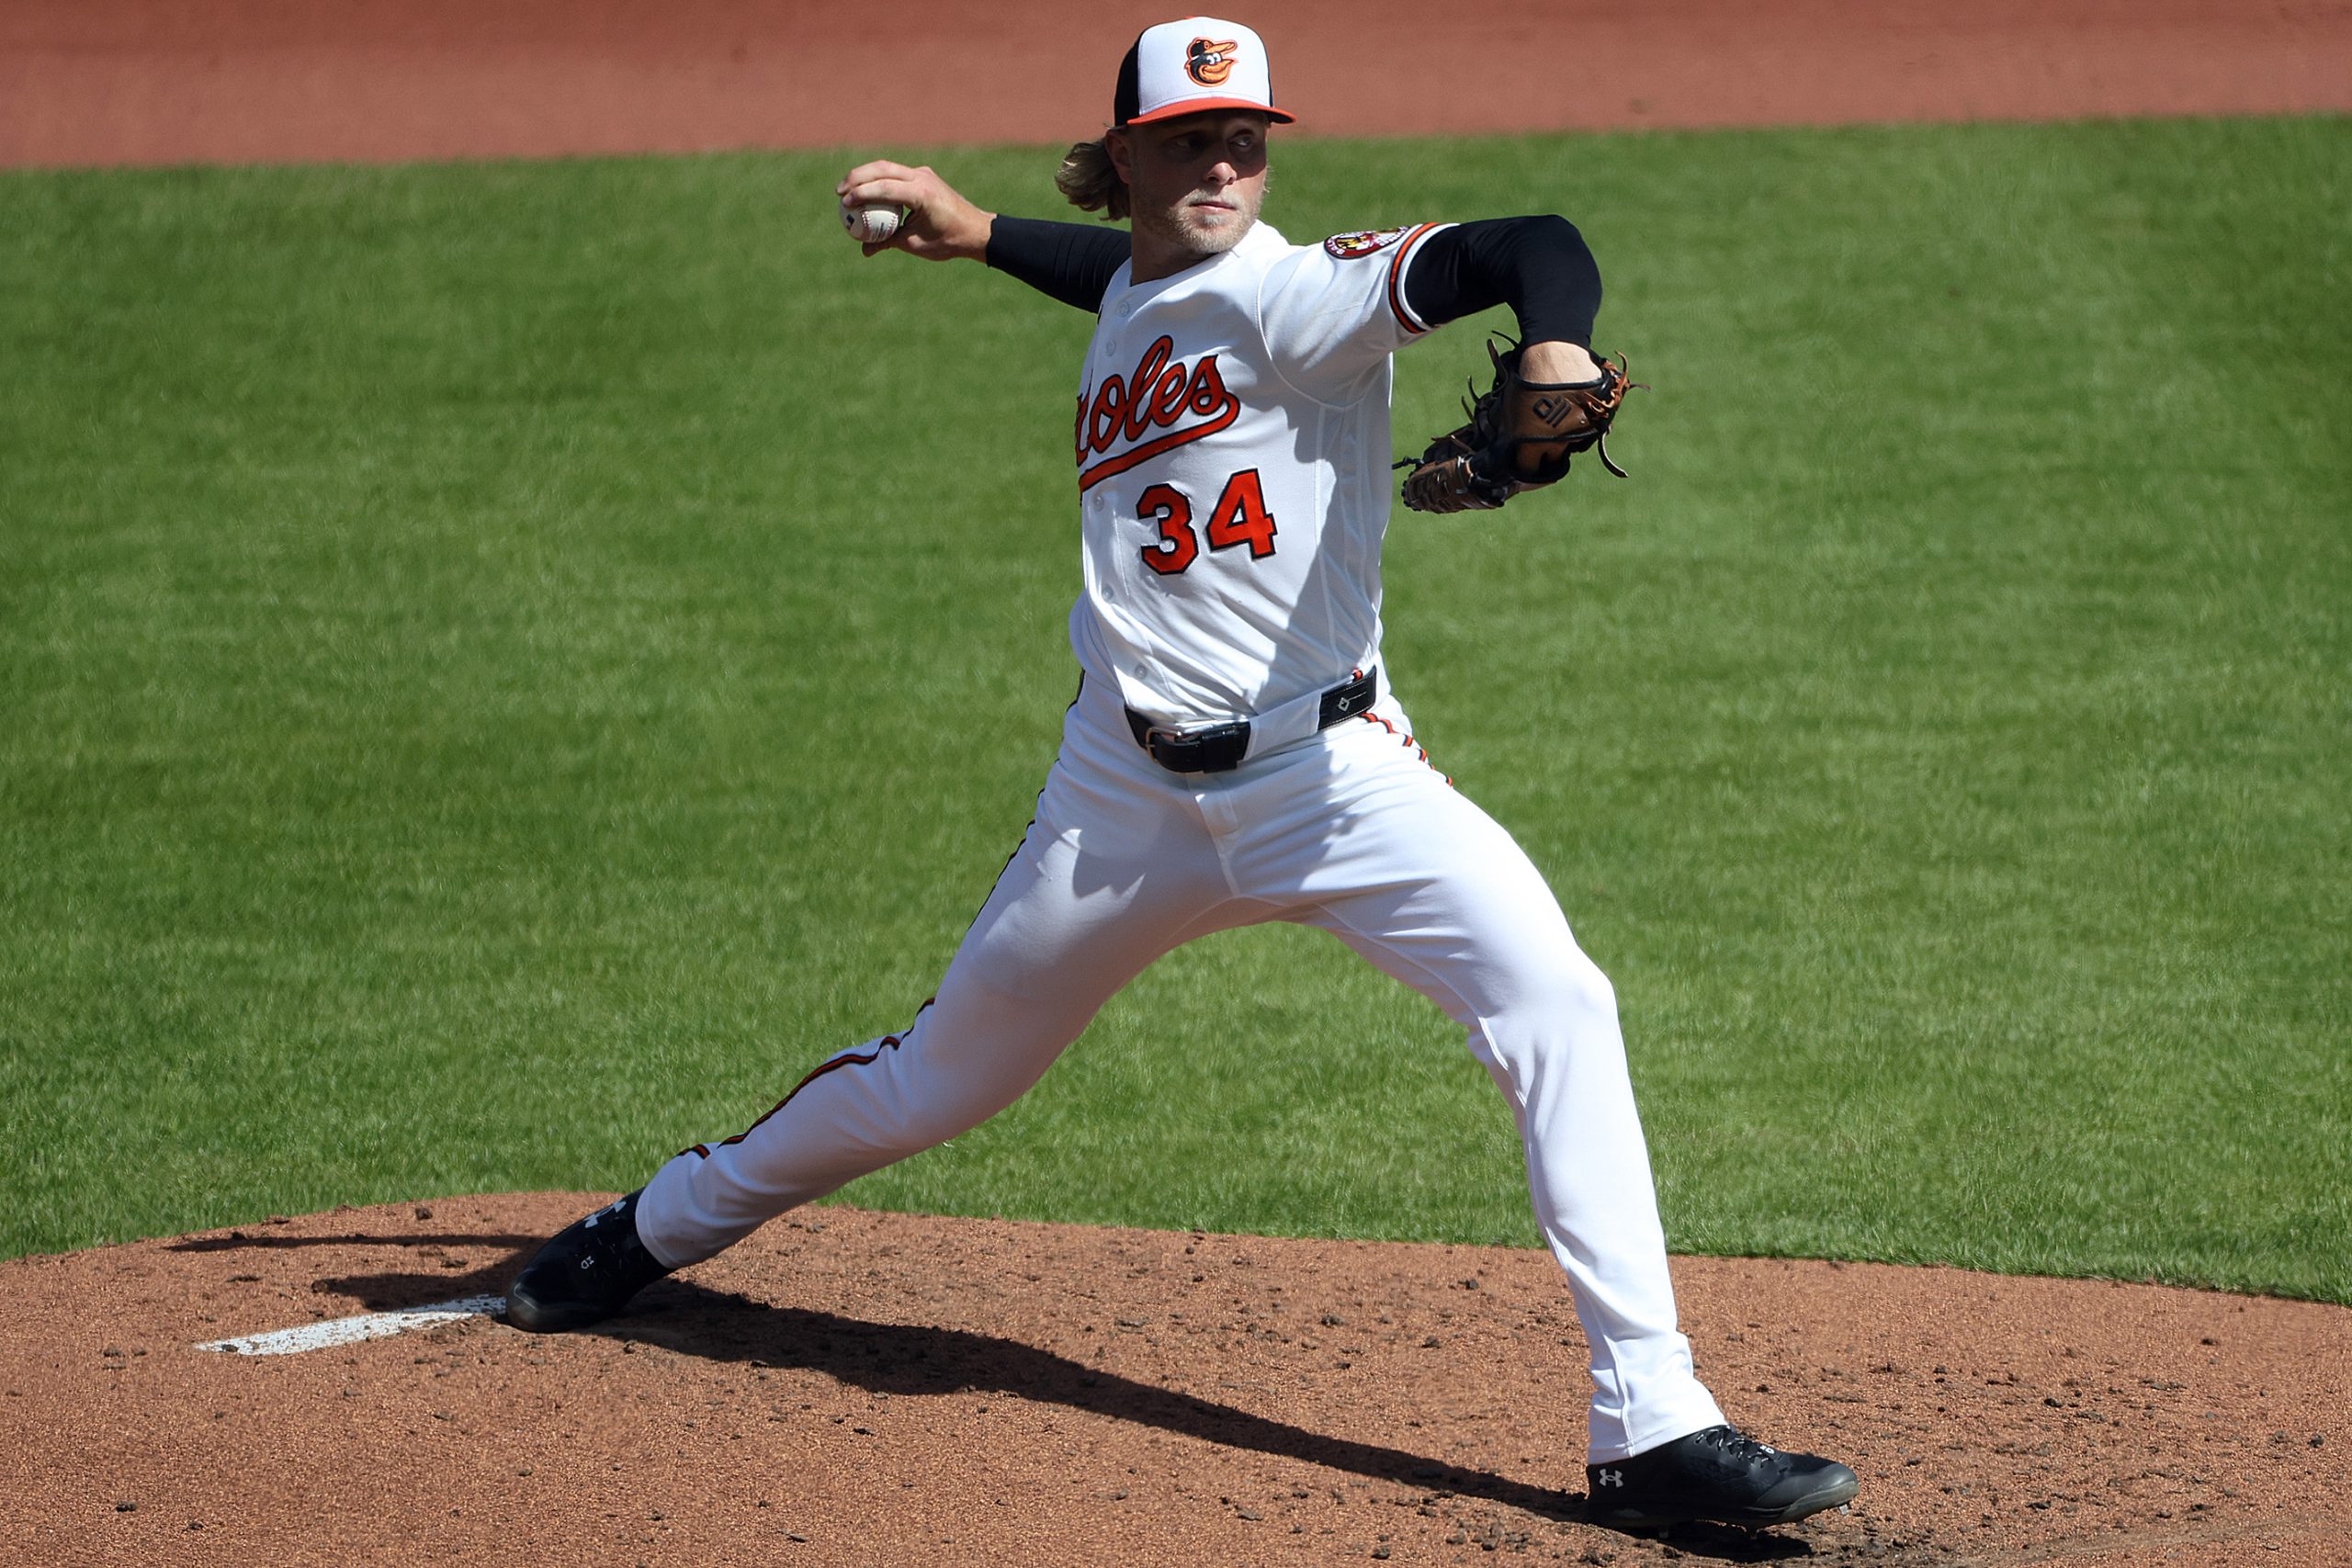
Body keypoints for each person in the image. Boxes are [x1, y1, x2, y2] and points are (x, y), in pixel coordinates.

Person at [504, 17, 1860, 1532]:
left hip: (1335, 781)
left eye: (1246, 141)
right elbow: (1131, 281)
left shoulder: (1303, 294)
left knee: (1559, 1001)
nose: (1222, 165)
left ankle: (1652, 1424)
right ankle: (652, 1229)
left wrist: (1555, 335)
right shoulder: (1144, 285)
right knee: (937, 1082)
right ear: (1126, 155)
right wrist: (979, 234)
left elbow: (1529, 241)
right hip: (1120, 802)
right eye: (1189, 141)